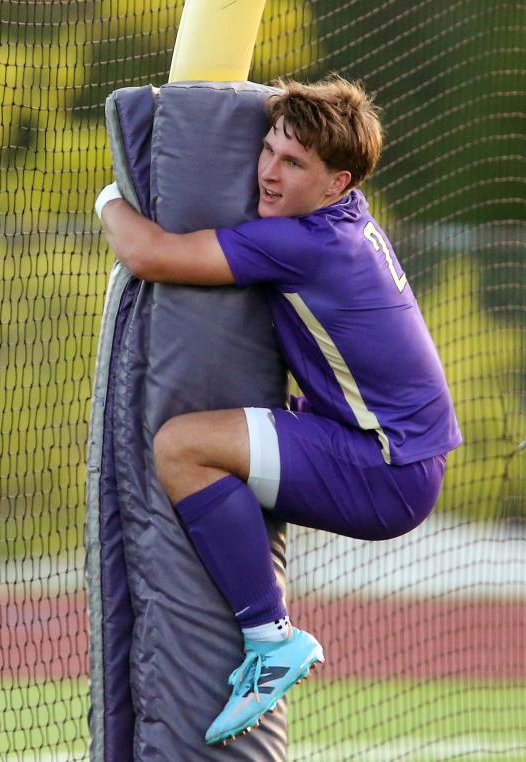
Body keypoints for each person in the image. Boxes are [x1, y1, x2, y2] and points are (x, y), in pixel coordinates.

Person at [94, 76, 462, 746]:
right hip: (386, 447)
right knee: (207, 441)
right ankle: (269, 636)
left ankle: (271, 641)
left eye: (292, 163)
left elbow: (148, 253)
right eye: (267, 148)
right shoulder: (340, 219)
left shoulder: (302, 243)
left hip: (384, 470)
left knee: (181, 447)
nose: (267, 171)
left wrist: (109, 196)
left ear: (337, 182)